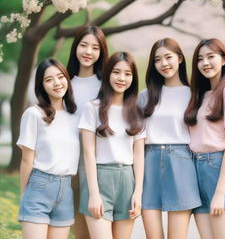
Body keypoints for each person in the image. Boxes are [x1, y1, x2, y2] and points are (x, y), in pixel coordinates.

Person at [139, 38, 201, 239]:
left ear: (180, 58)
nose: (163, 64)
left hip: (181, 163)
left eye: (168, 57)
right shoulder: (144, 96)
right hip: (148, 162)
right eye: (157, 60)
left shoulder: (194, 94)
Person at [78, 51, 145, 239]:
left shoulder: (137, 112)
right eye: (116, 72)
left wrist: (138, 193)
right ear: (108, 74)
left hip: (127, 181)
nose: (121, 78)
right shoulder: (92, 108)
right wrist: (94, 193)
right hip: (99, 179)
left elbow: (139, 154)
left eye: (127, 73)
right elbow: (88, 154)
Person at [184, 38, 225, 239]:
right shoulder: (199, 96)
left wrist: (220, 192)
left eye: (211, 57)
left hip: (219, 173)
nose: (205, 63)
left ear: (224, 60)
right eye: (200, 59)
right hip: (195, 173)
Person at [17, 58, 80, 239]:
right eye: (48, 79)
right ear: (41, 86)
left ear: (67, 79)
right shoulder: (34, 114)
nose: (57, 83)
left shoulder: (75, 118)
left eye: (60, 77)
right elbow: (27, 159)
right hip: (38, 187)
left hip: (65, 190)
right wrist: (24, 195)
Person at [67, 25, 108, 239]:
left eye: (95, 47)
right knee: (79, 229)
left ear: (102, 52)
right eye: (83, 45)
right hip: (71, 165)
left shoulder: (106, 86)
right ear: (75, 47)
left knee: (100, 227)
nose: (88, 52)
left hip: (100, 166)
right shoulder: (64, 85)